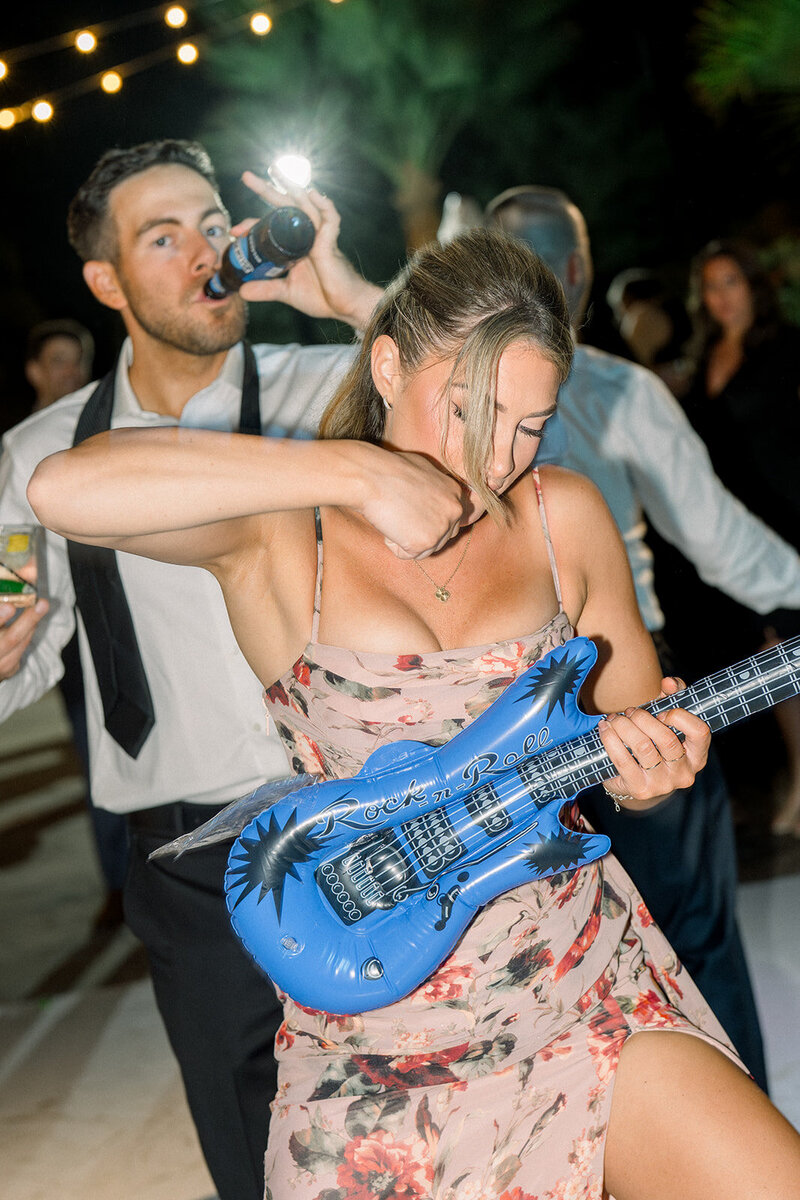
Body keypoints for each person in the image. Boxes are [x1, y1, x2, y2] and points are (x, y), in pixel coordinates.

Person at [28, 229, 800, 1199]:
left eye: (530, 422)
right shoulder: (285, 532)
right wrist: (354, 474)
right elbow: (59, 487)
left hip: (579, 981)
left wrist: (651, 772)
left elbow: (632, 739)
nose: (499, 454)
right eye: (471, 409)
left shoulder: (563, 515)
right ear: (387, 366)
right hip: (374, 1042)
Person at [0, 138, 380, 1200]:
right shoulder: (38, 460)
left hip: (359, 811)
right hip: (188, 860)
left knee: (423, 1115)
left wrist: (352, 300)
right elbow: (19, 650)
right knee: (256, 1156)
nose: (205, 252)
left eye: (213, 224)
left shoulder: (330, 388)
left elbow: (492, 388)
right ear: (107, 282)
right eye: (162, 238)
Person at [484, 185, 800, 1090]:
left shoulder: (443, 405)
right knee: (686, 942)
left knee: (594, 965)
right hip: (613, 702)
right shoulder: (619, 390)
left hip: (536, 715)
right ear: (582, 275)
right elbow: (727, 544)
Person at [683, 237, 800, 835]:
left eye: (731, 281)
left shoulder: (785, 349)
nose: (721, 295)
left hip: (788, 514)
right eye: (711, 285)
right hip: (736, 531)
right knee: (769, 657)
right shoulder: (704, 357)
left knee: (790, 645)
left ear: (754, 285)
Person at [23, 317, 129, 927]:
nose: (69, 371)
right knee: (96, 755)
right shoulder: (21, 446)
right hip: (64, 627)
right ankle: (116, 882)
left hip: (118, 615)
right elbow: (13, 549)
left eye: (77, 359)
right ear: (35, 370)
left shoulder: (104, 434)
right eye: (57, 360)